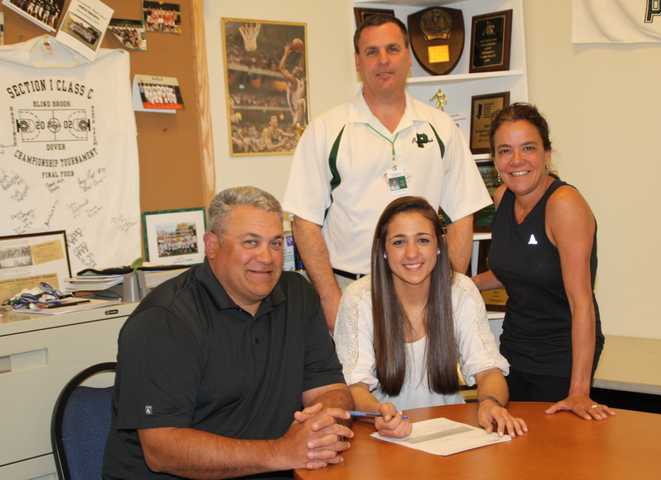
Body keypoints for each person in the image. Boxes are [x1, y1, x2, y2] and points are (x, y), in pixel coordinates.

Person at [102, 186, 355, 479]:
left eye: (275, 244)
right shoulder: (164, 320)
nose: (267, 257)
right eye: (251, 243)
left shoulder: (298, 295)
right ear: (212, 246)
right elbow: (161, 449)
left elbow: (329, 389)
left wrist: (322, 425)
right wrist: (282, 451)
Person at [283, 16, 490, 331]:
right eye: (371, 51)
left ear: (408, 56)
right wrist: (330, 297)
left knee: (426, 380)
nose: (383, 60)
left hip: (424, 291)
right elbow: (304, 222)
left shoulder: (441, 127)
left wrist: (448, 289)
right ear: (357, 62)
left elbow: (462, 214)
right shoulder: (326, 130)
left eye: (392, 49)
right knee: (356, 382)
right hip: (352, 290)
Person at [334, 196, 527, 438]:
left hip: (448, 433)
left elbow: (488, 370)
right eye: (399, 242)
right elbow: (354, 387)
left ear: (438, 245)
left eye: (423, 240)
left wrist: (490, 403)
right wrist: (379, 414)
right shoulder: (358, 299)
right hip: (380, 436)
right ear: (383, 249)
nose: (412, 253)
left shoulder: (461, 290)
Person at [472, 103, 614, 421]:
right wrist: (465, 284)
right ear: (494, 160)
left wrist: (578, 390)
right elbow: (518, 267)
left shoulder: (564, 205)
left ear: (547, 154)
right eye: (505, 151)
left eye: (528, 148)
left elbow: (582, 304)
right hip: (515, 345)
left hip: (561, 354)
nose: (517, 161)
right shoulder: (502, 198)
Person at [278, 41, 307, 128]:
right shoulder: (295, 82)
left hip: (298, 113)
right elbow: (300, 67)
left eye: (296, 69)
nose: (295, 67)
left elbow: (281, 68)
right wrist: (303, 52)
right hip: (297, 113)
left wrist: (286, 53)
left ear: (297, 73)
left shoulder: (294, 81)